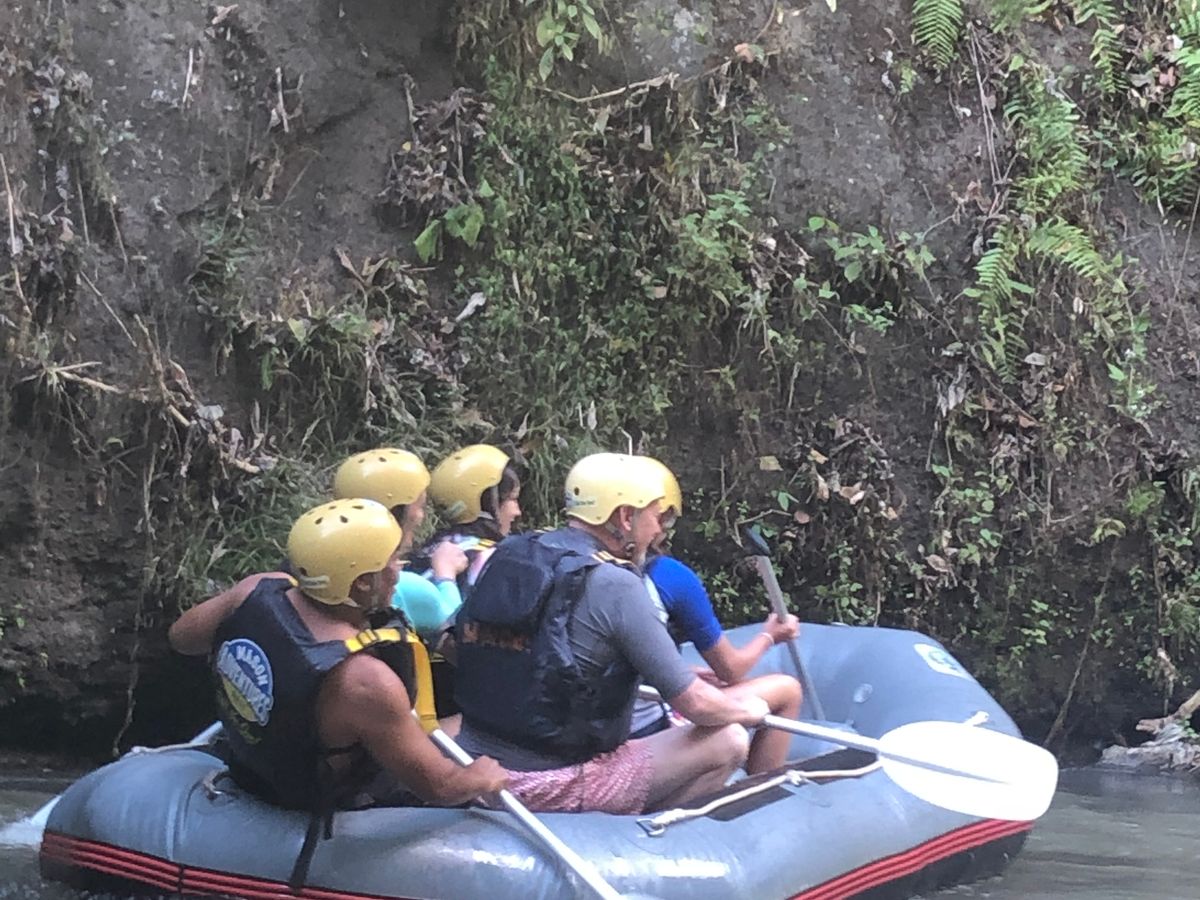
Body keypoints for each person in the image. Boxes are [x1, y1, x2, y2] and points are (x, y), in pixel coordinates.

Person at [167, 499, 507, 885]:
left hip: (249, 761)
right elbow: (440, 787)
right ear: (361, 582)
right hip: (310, 799)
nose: (398, 569)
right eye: (392, 561)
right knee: (465, 725)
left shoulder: (257, 589)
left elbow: (182, 638)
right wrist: (479, 777)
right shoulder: (363, 681)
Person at [453, 452, 769, 816]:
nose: (658, 531)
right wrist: (749, 710)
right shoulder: (616, 582)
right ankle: (640, 836)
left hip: (471, 762)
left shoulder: (511, 552)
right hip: (550, 782)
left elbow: (461, 643)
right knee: (729, 739)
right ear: (625, 516)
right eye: (656, 517)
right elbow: (695, 704)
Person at [629, 457, 803, 774]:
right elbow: (731, 670)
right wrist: (770, 636)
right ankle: (762, 787)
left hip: (606, 719)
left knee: (710, 684)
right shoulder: (670, 577)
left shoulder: (577, 568)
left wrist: (681, 672)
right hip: (644, 730)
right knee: (787, 689)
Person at [332, 448, 469, 634]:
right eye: (420, 506)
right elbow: (455, 625)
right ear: (397, 512)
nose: (421, 516)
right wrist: (446, 574)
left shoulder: (317, 561)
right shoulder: (405, 588)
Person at [426, 443, 523, 593]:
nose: (517, 512)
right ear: (487, 503)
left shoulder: (431, 549)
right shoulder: (489, 558)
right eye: (512, 499)